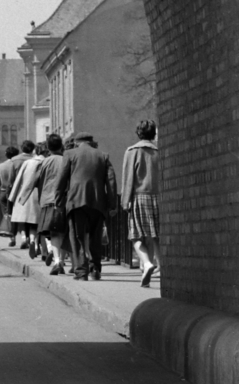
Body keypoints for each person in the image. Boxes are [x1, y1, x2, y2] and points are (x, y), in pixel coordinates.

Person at [57, 133, 117, 281]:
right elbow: (111, 182)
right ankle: (95, 267)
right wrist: (112, 204)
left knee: (77, 236)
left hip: (76, 201)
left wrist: (58, 201)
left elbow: (61, 179)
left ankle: (81, 271)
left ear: (77, 143)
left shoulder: (70, 154)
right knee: (95, 237)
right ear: (92, 143)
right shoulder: (103, 155)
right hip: (98, 202)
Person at [121, 119, 162, 287]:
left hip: (139, 196)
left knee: (135, 235)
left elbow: (128, 178)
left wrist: (125, 202)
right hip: (157, 198)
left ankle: (146, 263)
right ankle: (151, 269)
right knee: (153, 236)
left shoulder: (132, 151)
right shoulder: (159, 151)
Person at [35, 133, 70, 273]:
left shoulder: (44, 162)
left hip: (48, 200)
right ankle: (61, 260)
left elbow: (35, 181)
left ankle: (57, 261)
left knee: (54, 233)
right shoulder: (66, 160)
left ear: (48, 148)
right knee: (63, 232)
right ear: (61, 146)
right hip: (65, 200)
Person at [8, 140, 43, 256]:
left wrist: (12, 197)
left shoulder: (17, 161)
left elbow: (14, 181)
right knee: (37, 222)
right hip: (41, 195)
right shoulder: (44, 161)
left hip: (24, 193)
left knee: (24, 220)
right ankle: (37, 244)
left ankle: (24, 238)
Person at [0, 144, 21, 244]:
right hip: (16, 192)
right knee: (16, 214)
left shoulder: (1, 165)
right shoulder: (18, 165)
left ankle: (11, 236)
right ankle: (18, 235)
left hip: (3, 192)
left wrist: (1, 183)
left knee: (7, 214)